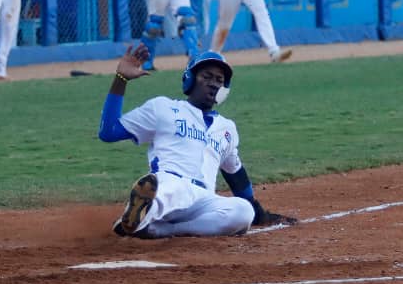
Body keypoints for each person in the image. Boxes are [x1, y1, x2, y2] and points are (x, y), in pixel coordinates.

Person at [98, 46, 297, 238]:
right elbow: (109, 132)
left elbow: (236, 175)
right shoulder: (163, 108)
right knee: (165, 190)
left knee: (243, 212)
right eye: (207, 76)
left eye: (219, 80)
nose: (213, 83)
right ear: (190, 79)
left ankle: (155, 229)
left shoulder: (227, 128)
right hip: (171, 182)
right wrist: (121, 79)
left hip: (203, 199)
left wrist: (258, 212)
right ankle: (139, 214)